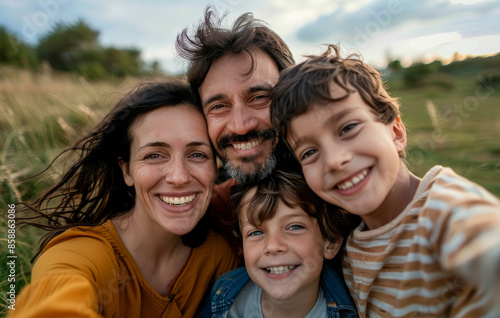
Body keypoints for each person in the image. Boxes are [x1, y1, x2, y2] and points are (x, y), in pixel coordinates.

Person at [270, 44, 500, 317]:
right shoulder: (346, 237)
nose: (333, 160)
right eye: (309, 152)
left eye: (348, 128)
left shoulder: (454, 219)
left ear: (396, 130)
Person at [11, 80, 239, 317]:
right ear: (127, 170)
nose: (179, 177)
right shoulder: (84, 255)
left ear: (216, 168)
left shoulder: (217, 256)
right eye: (154, 155)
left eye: (198, 154)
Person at [176, 6, 298, 253]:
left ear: (292, 96)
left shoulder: (344, 186)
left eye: (259, 98)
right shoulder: (206, 214)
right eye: (219, 106)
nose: (241, 126)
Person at [205, 170, 358, 318]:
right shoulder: (223, 290)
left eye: (294, 227)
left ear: (330, 242)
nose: (272, 246)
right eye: (256, 232)